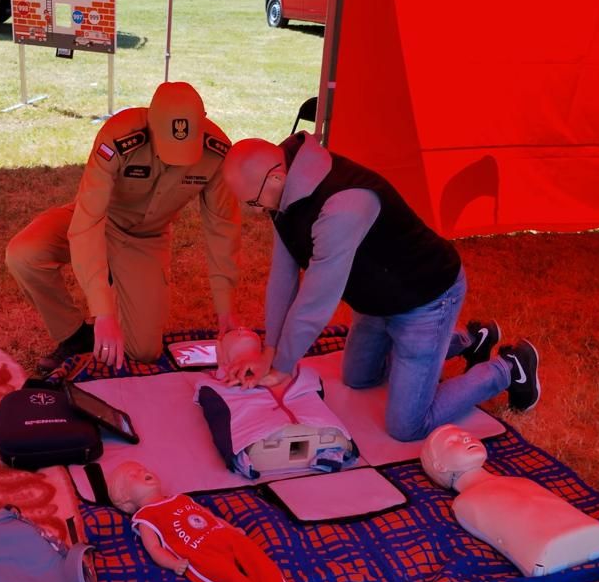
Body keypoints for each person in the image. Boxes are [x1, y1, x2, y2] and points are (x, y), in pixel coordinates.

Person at [220, 132, 541, 442]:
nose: (257, 210)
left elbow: (316, 299)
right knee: (359, 379)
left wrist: (282, 365)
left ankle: (509, 368)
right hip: (376, 301)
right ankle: (473, 339)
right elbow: (283, 276)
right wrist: (270, 351)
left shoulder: (342, 205)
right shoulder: (284, 186)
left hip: (424, 298)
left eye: (253, 202)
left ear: (276, 177)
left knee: (407, 426)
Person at [6, 81, 241, 373]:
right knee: (24, 254)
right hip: (99, 218)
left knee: (143, 351)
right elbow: (88, 221)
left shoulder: (217, 152)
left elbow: (222, 229)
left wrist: (225, 310)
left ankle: (121, 286)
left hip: (145, 239)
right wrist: (103, 312)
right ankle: (74, 335)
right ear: (151, 123)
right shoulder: (119, 136)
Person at [108, 461, 300, 582]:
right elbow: (154, 548)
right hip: (198, 552)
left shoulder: (181, 498)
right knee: (225, 576)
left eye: (143, 468)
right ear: (125, 499)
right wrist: (173, 564)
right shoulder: (145, 517)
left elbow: (209, 516)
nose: (142, 471)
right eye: (133, 475)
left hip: (222, 534)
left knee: (252, 553)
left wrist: (231, 529)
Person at [420, 424, 599, 576]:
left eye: (465, 435)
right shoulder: (464, 503)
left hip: (587, 533)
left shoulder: (519, 481)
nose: (466, 438)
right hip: (547, 550)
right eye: (452, 441)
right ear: (440, 466)